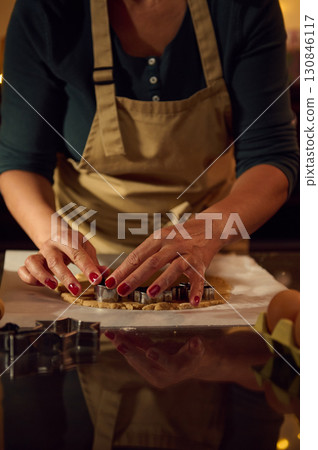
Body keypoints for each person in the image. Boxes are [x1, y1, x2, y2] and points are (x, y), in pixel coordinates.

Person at [0, 0, 299, 448]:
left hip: (212, 258)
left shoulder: (245, 9)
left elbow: (273, 156)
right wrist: (50, 234)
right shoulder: (47, 11)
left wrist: (207, 230)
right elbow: (21, 163)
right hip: (88, 265)